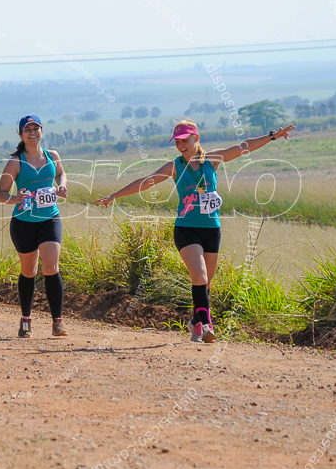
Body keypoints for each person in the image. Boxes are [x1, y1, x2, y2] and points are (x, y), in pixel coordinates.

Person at [95, 119, 296, 343]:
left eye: (184, 140)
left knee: (205, 283)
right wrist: (115, 195)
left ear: (196, 138)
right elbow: (146, 182)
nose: (180, 145)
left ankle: (195, 321)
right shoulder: (175, 166)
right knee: (199, 276)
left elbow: (243, 147)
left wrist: (272, 137)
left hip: (211, 229)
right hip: (186, 228)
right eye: (177, 142)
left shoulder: (212, 160)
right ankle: (206, 325)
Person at [0, 115, 69, 338]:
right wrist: (15, 199)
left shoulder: (52, 155)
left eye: (36, 127)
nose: (33, 132)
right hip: (24, 223)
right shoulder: (16, 162)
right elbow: (0, 194)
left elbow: (61, 174)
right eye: (27, 129)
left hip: (49, 219)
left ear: (42, 131)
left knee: (51, 267)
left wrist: (62, 186)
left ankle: (57, 322)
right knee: (29, 271)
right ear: (21, 135)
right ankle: (26, 319)